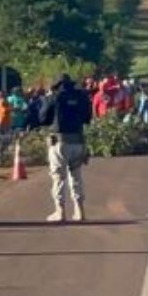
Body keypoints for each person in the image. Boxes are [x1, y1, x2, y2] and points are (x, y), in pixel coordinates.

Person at [43, 74, 91, 223]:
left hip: (60, 141)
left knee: (58, 177)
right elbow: (87, 118)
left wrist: (47, 99)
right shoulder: (81, 96)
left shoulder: (55, 97)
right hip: (78, 140)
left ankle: (60, 212)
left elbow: (43, 117)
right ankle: (80, 211)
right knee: (76, 176)